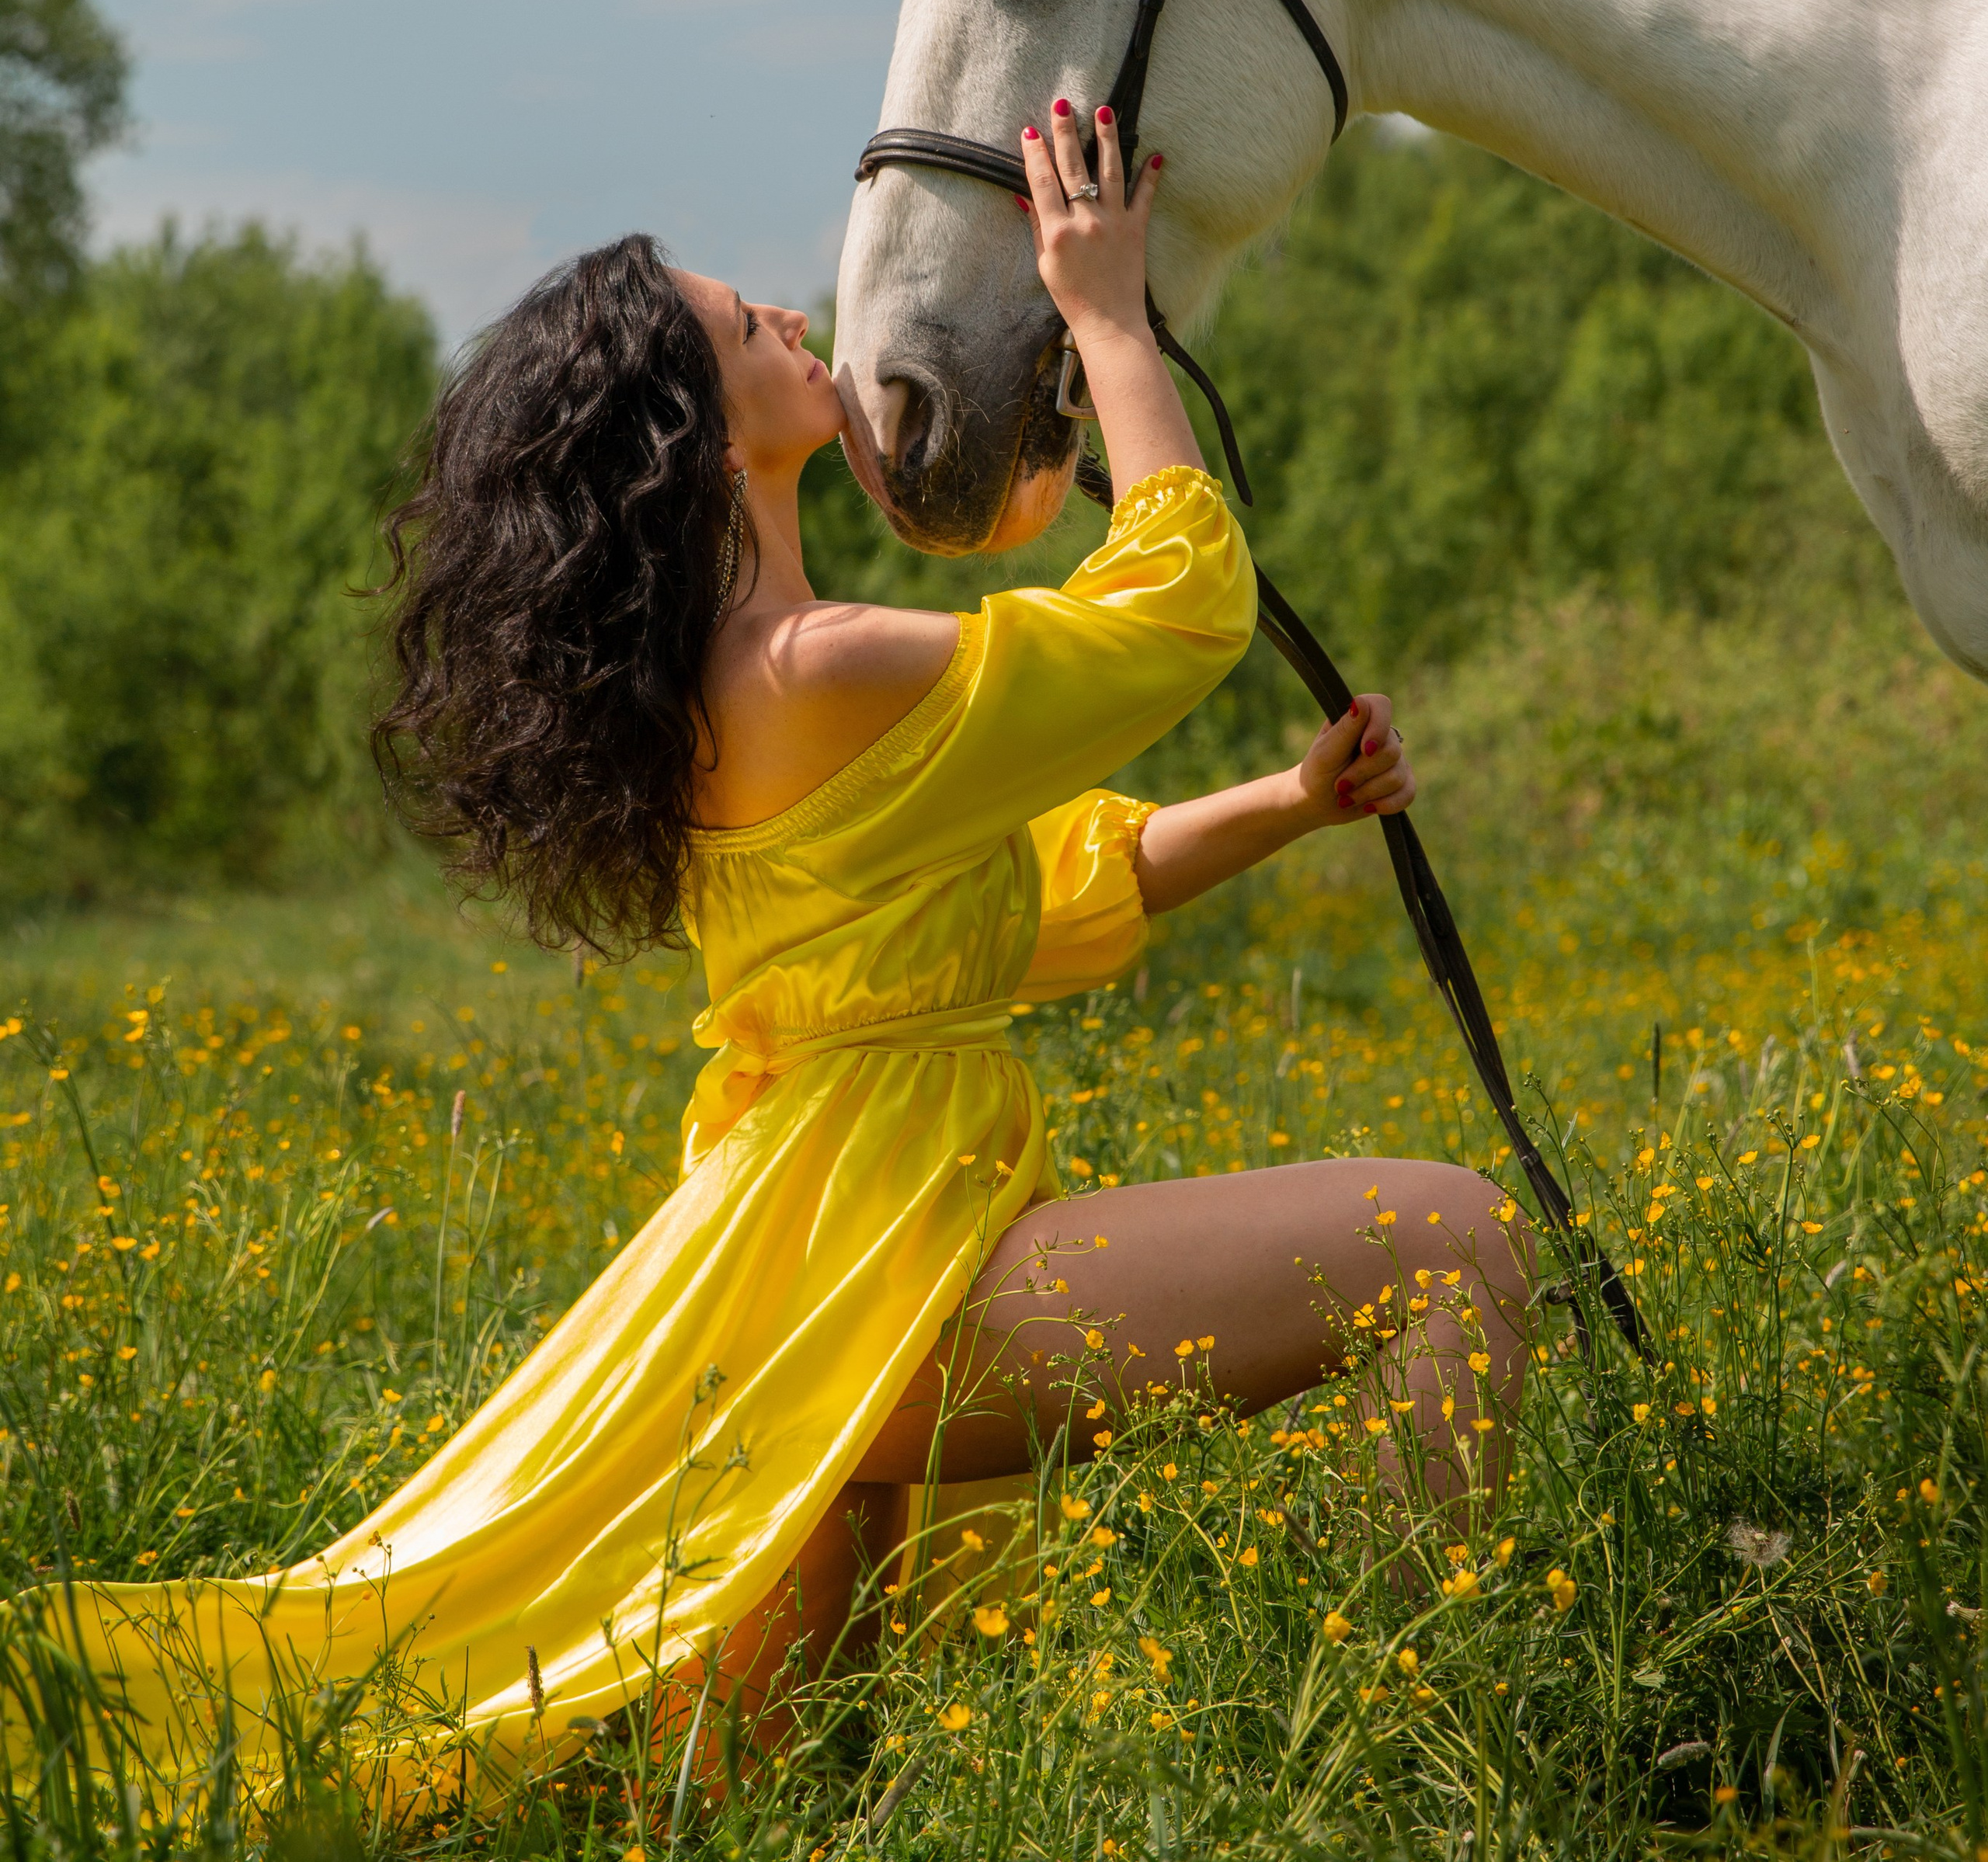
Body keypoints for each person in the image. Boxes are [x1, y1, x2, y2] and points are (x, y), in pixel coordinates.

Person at [20, 103, 1529, 1801]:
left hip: (814, 1259)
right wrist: (1102, 310)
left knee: (760, 1785)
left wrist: (1284, 800)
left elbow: (1030, 897)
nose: (800, 318)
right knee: (1444, 1242)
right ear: (693, 432)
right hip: (875, 1271)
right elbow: (1179, 612)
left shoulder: (742, 690)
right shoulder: (816, 668)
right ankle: (1383, 1770)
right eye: (752, 326)